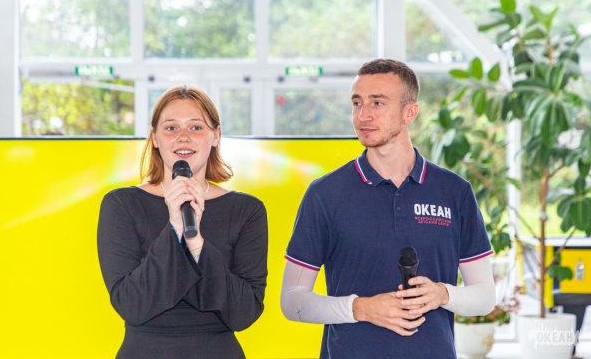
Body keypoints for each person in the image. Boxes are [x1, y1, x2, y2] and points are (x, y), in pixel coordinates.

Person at [280, 59, 496, 358]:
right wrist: (360, 308)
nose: (363, 115)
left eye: (378, 103)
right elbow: (292, 301)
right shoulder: (325, 194)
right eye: (357, 103)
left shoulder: (455, 192)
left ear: (410, 112)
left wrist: (443, 294)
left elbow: (485, 296)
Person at [97, 85, 268, 359]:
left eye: (196, 127)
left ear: (216, 135)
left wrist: (196, 243)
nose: (183, 137)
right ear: (154, 138)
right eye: (171, 128)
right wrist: (174, 228)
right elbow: (131, 304)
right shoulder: (122, 205)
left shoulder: (247, 211)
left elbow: (244, 312)